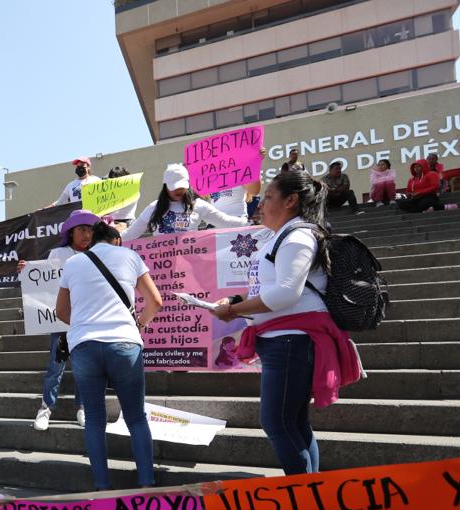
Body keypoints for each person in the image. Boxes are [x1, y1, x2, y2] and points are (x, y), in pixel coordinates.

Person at [211, 170, 361, 475]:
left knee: (277, 422)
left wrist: (236, 311)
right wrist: (235, 303)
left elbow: (285, 293)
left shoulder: (299, 235)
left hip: (292, 340)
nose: (261, 204)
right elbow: (267, 289)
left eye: (268, 197)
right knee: (292, 421)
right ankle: (309, 493)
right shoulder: (283, 235)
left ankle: (303, 496)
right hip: (284, 339)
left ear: (291, 200)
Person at [55, 221, 163, 490]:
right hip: (124, 342)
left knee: (94, 419)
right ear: (116, 240)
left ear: (92, 240)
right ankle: (147, 483)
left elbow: (61, 312)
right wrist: (141, 324)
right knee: (136, 417)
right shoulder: (130, 256)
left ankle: (102, 486)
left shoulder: (74, 264)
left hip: (84, 346)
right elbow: (156, 302)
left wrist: (82, 325)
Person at [18, 210, 98, 430]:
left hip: (87, 321)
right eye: (82, 230)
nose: (86, 235)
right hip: (61, 320)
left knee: (85, 367)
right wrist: (26, 271)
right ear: (71, 233)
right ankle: (45, 408)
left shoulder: (98, 253)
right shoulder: (58, 253)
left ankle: (83, 407)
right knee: (56, 366)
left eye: (90, 230)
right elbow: (43, 280)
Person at [123, 164, 250, 239]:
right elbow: (131, 234)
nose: (178, 190)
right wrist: (107, 238)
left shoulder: (198, 205)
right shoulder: (154, 207)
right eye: (174, 186)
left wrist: (251, 224)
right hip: (163, 267)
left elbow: (225, 222)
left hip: (191, 267)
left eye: (182, 186)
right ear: (165, 185)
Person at [207, 147, 266, 220]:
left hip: (236, 222)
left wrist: (254, 163)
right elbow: (201, 193)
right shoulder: (211, 177)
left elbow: (254, 191)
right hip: (214, 224)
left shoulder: (239, 172)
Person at [103, 166, 138, 230]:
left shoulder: (133, 190)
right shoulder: (108, 192)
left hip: (128, 222)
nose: (115, 181)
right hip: (111, 222)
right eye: (112, 178)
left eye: (118, 178)